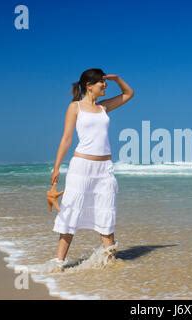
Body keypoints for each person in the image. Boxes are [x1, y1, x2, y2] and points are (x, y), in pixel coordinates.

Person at [48, 68, 134, 270]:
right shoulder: (75, 107)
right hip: (81, 167)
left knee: (106, 211)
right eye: (101, 83)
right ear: (89, 86)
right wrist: (56, 167)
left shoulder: (103, 107)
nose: (105, 86)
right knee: (71, 210)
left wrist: (117, 78)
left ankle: (111, 262)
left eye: (106, 83)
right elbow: (66, 139)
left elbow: (128, 94)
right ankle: (58, 262)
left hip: (104, 168)